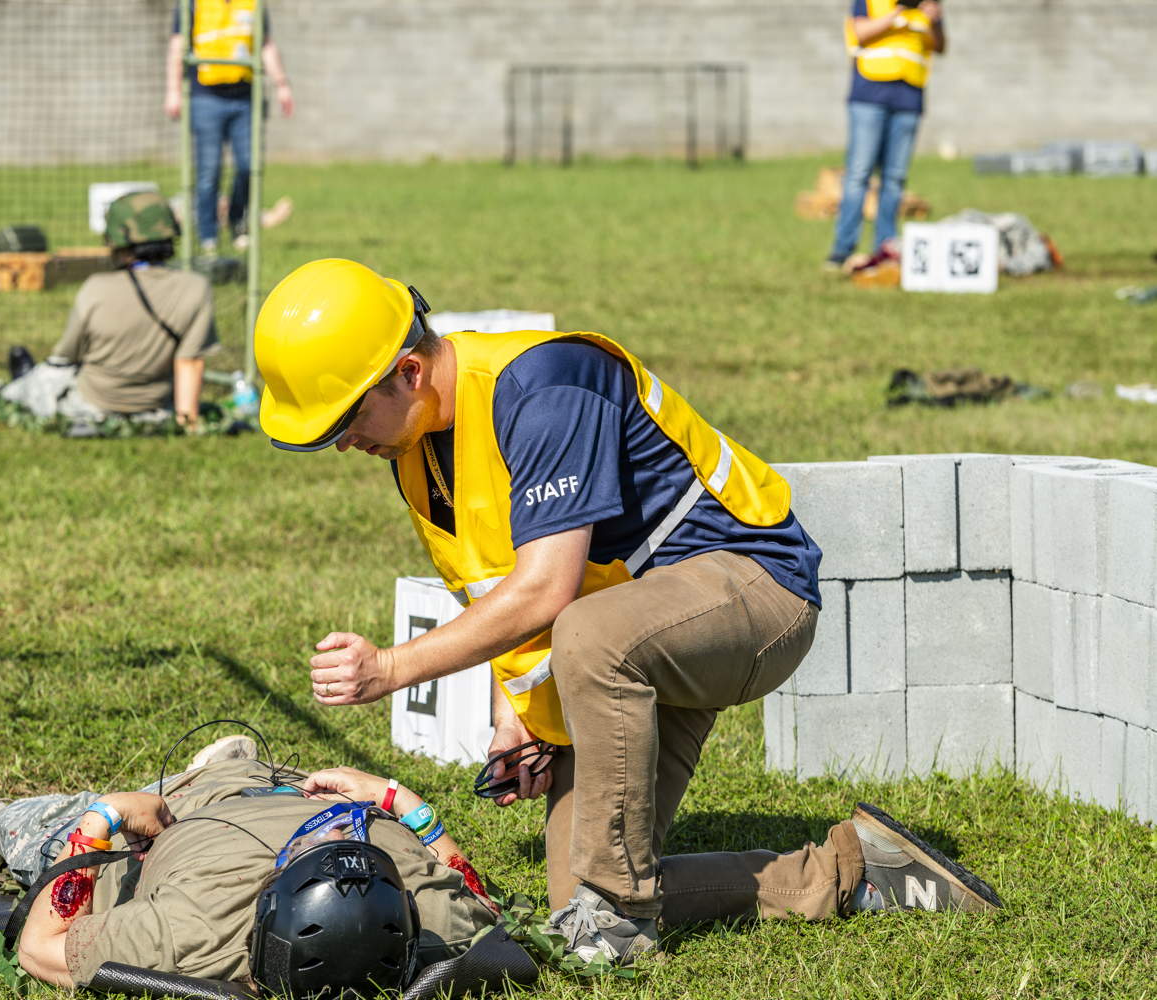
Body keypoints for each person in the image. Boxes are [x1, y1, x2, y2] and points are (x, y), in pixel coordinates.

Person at [252, 258, 1001, 966]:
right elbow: (493, 590)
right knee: (566, 896)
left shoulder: (541, 387)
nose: (344, 443)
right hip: (633, 631)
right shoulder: (417, 450)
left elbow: (547, 594)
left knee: (594, 673)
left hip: (757, 593)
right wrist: (521, 716)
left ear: (408, 372)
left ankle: (618, 912)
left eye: (344, 420)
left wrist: (390, 668)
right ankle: (849, 871)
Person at [0, 736, 501, 994]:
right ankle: (215, 768)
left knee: (43, 838)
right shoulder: (429, 916)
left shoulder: (190, 931)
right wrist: (396, 798)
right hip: (281, 785)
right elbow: (482, 902)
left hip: (184, 813)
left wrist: (104, 819)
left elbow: (41, 947)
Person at [0, 191, 218, 434]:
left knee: (42, 378)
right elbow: (190, 361)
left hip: (93, 402)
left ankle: (22, 381)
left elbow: (67, 354)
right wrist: (187, 422)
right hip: (155, 405)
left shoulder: (97, 287)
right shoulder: (196, 288)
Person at [165, 0, 295, 255]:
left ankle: (238, 223)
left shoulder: (253, 4)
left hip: (244, 97)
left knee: (249, 166)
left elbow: (265, 44)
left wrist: (282, 84)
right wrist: (173, 91)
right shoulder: (192, 4)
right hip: (205, 97)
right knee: (208, 172)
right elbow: (177, 46)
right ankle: (208, 237)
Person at [826, 0, 946, 274]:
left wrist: (934, 21)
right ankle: (842, 250)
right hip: (870, 95)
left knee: (895, 179)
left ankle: (886, 249)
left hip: (909, 99)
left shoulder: (929, 4)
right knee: (858, 174)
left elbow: (939, 46)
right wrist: (897, 14)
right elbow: (859, 33)